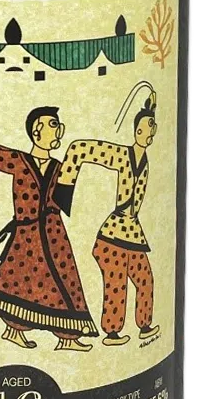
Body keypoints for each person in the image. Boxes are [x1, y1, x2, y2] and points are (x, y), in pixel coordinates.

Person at [0, 109, 98, 351]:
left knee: (65, 281)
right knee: (18, 285)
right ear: (36, 131)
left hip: (54, 234)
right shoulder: (18, 160)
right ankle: (15, 331)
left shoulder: (61, 167)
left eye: (58, 125)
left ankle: (67, 337)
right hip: (27, 234)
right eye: (52, 124)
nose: (58, 130)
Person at [58, 104, 162, 346]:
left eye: (151, 128)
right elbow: (81, 148)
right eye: (144, 129)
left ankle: (144, 326)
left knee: (145, 280)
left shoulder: (144, 160)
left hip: (132, 233)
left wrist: (151, 107)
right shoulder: (123, 155)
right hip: (112, 236)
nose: (148, 133)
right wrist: (65, 183)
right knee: (116, 286)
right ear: (136, 131)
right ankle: (112, 333)